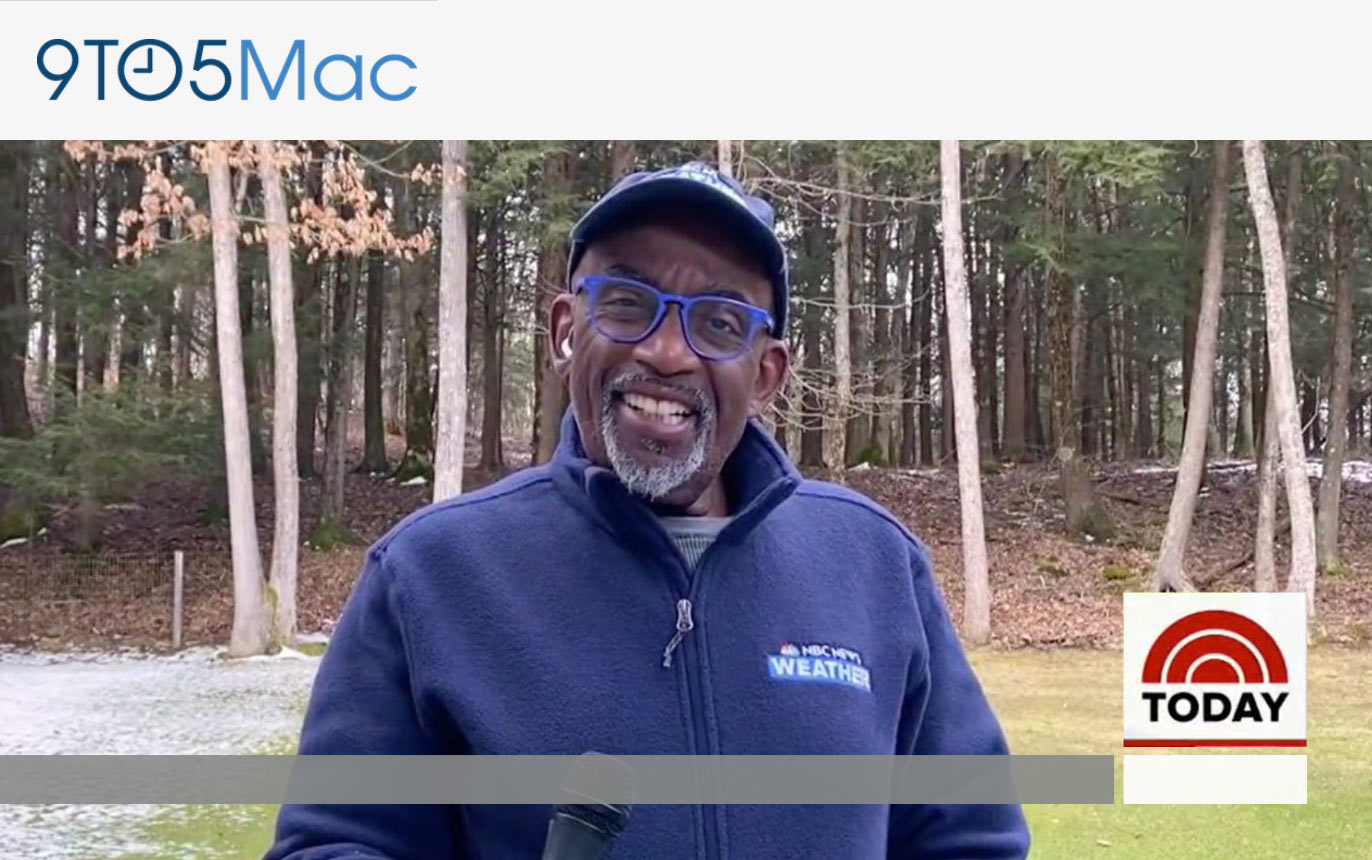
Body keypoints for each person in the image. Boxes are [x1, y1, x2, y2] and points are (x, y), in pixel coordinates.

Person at [266, 161, 1029, 859]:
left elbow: (972, 840)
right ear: (567, 332)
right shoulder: (433, 576)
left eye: (720, 322)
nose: (667, 352)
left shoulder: (873, 566)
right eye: (627, 304)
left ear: (766, 375)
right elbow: (335, 845)